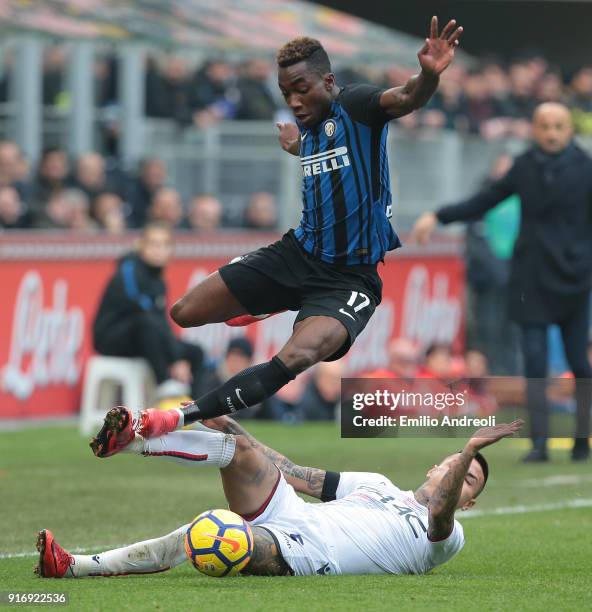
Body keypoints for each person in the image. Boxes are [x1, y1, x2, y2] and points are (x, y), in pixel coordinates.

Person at [141, 17, 463, 436]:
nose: (293, 101)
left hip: (350, 280)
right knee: (185, 313)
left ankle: (182, 417)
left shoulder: (358, 106)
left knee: (295, 358)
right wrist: (298, 147)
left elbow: (405, 98)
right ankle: (274, 299)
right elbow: (327, 160)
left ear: (328, 81)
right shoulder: (308, 132)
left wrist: (428, 74)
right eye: (285, 93)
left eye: (301, 89)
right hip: (297, 255)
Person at [36, 406, 522, 578]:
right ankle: (129, 443)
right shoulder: (375, 484)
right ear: (435, 465)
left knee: (212, 535)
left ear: (468, 500)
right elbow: (291, 473)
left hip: (311, 553)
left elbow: (438, 513)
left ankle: (76, 567)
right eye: (456, 464)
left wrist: (472, 446)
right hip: (293, 513)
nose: (457, 472)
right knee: (237, 448)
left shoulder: (448, 535)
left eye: (468, 478)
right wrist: (235, 425)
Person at [411, 102, 592, 462]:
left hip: (576, 277)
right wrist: (438, 215)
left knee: (579, 362)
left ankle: (581, 441)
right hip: (531, 278)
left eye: (558, 126)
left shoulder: (586, 168)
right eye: (544, 126)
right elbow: (485, 200)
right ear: (534, 130)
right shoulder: (523, 167)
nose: (552, 133)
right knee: (535, 363)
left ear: (569, 130)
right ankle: (539, 443)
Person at [93, 222, 204, 399]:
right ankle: (163, 383)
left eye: (164, 245)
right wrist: (174, 359)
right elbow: (144, 310)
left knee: (195, 352)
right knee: (145, 320)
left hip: (144, 339)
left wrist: (177, 353)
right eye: (153, 244)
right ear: (141, 246)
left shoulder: (159, 281)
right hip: (111, 339)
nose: (158, 250)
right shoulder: (128, 269)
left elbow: (162, 322)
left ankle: (199, 408)